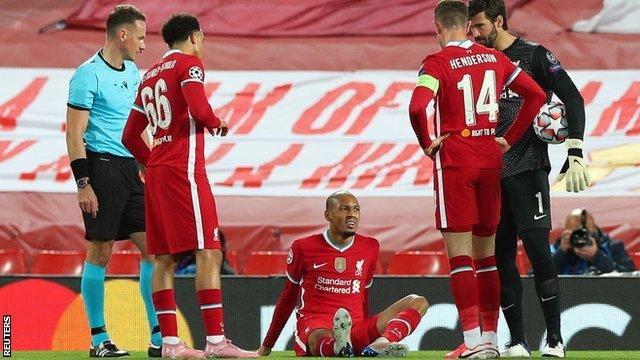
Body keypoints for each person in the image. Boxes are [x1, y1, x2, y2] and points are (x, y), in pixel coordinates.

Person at [408, 1, 547, 358]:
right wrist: (509, 137)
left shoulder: (435, 63)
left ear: (439, 27)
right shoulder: (495, 59)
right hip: (489, 157)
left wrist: (427, 143)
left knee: (460, 258)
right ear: (469, 27)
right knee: (487, 258)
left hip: (455, 158)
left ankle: (469, 342)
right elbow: (536, 95)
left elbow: (417, 105)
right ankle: (489, 342)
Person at [121, 13, 256, 358]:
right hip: (185, 172)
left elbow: (129, 134)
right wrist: (216, 121)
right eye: (203, 39)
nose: (203, 46)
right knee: (209, 252)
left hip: (159, 173)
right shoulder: (189, 66)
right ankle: (215, 342)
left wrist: (150, 163)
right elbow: (198, 107)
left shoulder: (149, 75)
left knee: (163, 258)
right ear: (194, 37)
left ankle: (169, 344)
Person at [468, 0, 591, 356]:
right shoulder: (480, 65)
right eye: (471, 28)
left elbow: (572, 97)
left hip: (529, 169)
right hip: (491, 175)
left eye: (479, 26)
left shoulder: (535, 56)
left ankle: (555, 339)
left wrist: (575, 150)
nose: (475, 34)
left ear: (499, 21)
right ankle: (517, 340)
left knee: (539, 252)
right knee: (502, 257)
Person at [65, 5, 162, 357]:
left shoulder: (134, 72)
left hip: (131, 169)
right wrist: (83, 183)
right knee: (101, 250)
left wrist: (149, 166)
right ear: (122, 34)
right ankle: (98, 339)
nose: (142, 43)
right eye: (140, 36)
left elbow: (137, 127)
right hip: (101, 169)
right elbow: (74, 134)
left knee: (153, 248)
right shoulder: (87, 75)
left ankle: (157, 336)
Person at [258, 191, 429, 358]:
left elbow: (364, 294)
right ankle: (338, 346)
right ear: (328, 215)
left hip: (356, 326)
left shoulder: (370, 246)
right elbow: (288, 298)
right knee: (320, 336)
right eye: (344, 209)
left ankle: (382, 342)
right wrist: (267, 345)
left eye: (356, 209)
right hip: (316, 324)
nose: (352, 215)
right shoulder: (303, 247)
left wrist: (366, 330)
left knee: (418, 302)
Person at [552, 209, 637, 275]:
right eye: (575, 233)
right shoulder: (555, 248)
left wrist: (596, 256)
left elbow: (630, 278)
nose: (580, 238)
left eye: (584, 233)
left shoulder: (613, 247)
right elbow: (544, 277)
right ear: (566, 231)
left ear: (594, 230)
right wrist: (561, 253)